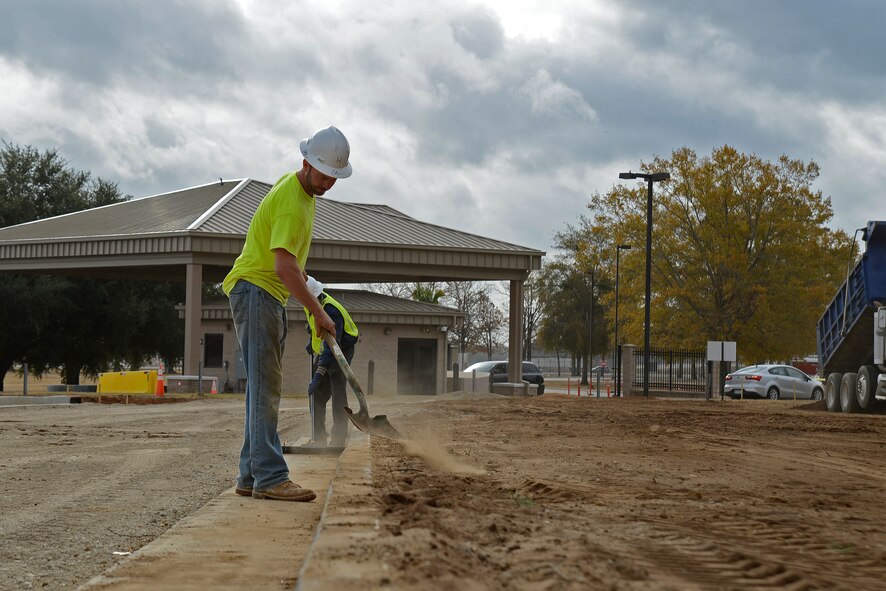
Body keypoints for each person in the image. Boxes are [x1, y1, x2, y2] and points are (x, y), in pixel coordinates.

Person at [222, 126, 353, 501]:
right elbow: (282, 267)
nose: (328, 184)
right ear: (306, 164)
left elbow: (290, 264)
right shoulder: (294, 204)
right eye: (324, 176)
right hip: (258, 292)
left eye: (334, 179)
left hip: (263, 293)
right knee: (266, 391)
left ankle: (250, 475)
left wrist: (310, 291)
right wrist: (317, 313)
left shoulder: (298, 190)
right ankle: (271, 478)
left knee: (261, 390)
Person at [303, 277, 359, 448]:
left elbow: (332, 345)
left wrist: (319, 372)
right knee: (316, 395)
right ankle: (319, 439)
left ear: (314, 296)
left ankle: (338, 439)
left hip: (340, 349)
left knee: (337, 392)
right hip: (326, 349)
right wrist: (312, 342)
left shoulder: (330, 310)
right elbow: (318, 330)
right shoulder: (310, 303)